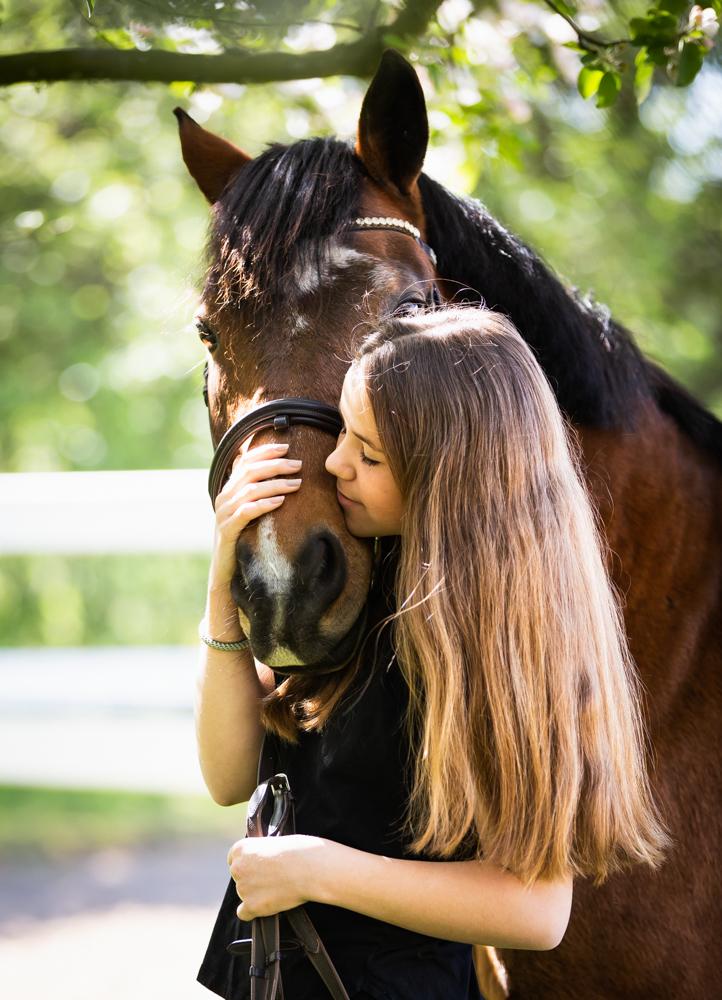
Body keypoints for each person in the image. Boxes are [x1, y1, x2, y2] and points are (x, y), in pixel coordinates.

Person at [195, 306, 670, 1000]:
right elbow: (227, 775)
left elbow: (536, 912)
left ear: (447, 476)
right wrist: (222, 583)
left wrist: (314, 869)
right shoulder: (350, 580)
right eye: (345, 434)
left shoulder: (512, 641)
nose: (334, 463)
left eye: (368, 453)